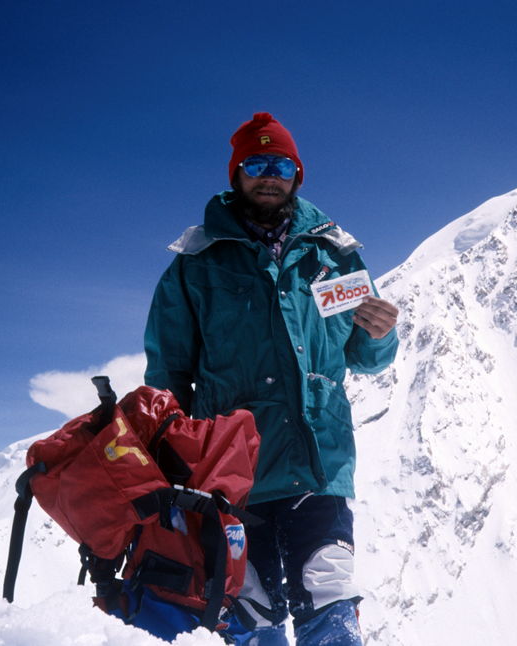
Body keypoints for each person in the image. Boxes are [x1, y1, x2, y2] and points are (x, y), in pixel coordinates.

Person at [144, 112, 399, 646]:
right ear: (236, 174)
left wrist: (379, 334)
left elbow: (365, 357)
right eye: (256, 164)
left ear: (297, 175)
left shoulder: (335, 256)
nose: (269, 176)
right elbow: (169, 373)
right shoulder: (196, 264)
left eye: (281, 165)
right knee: (250, 613)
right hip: (235, 472)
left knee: (329, 596)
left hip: (318, 462)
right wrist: (172, 457)